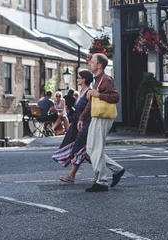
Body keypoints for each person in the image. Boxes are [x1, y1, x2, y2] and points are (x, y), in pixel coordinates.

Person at [78, 53, 125, 192]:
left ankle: (101, 181)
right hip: (96, 116)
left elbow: (115, 97)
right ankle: (117, 169)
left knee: (96, 149)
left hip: (103, 117)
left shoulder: (106, 79)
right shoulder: (97, 81)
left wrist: (98, 94)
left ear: (99, 65)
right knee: (90, 149)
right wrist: (82, 117)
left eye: (92, 62)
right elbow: (92, 102)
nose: (89, 64)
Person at [52, 70, 94, 183]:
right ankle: (104, 172)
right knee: (83, 150)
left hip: (85, 123)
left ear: (84, 79)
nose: (77, 79)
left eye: (79, 77)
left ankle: (72, 176)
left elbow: (91, 108)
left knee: (80, 149)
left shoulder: (89, 92)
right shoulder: (81, 92)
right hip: (77, 123)